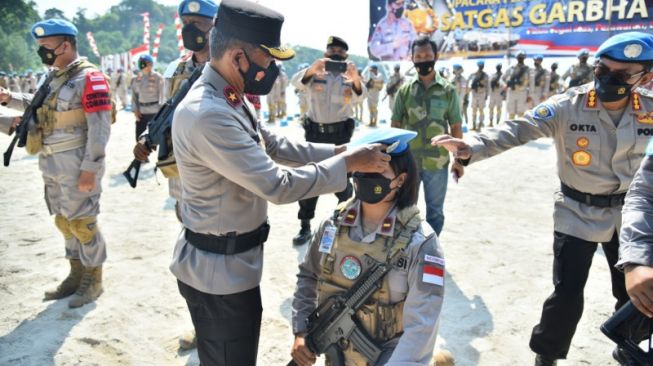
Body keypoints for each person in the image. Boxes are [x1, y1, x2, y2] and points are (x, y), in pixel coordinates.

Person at [169, 1, 390, 365]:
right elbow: (278, 185)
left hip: (232, 264)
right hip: (218, 275)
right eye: (268, 59)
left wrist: (341, 149)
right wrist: (348, 164)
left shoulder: (230, 95)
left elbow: (274, 144)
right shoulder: (208, 113)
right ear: (239, 57)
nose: (271, 69)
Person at [431, 32, 653, 366]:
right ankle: (546, 355)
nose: (608, 79)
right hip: (577, 212)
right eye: (602, 70)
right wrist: (472, 147)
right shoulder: (569, 105)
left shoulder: (648, 108)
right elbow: (519, 128)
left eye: (621, 75)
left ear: (645, 77)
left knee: (632, 292)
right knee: (566, 295)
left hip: (630, 217)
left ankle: (630, 346)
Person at [290, 128, 445, 366]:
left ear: (401, 179)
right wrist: (301, 331)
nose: (367, 175)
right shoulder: (332, 225)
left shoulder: (421, 242)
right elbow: (308, 275)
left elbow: (421, 329)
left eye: (378, 169)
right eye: (363, 167)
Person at [0, 18, 113, 308]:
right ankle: (75, 274)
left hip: (77, 161)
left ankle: (93, 279)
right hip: (51, 160)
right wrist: (8, 97)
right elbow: (37, 104)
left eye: (45, 47)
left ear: (65, 45)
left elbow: (100, 127)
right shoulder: (52, 76)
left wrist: (91, 167)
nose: (42, 52)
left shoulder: (90, 77)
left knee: (83, 222)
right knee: (64, 220)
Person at [132, 0, 218, 350]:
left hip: (215, 173)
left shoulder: (230, 64)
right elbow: (166, 114)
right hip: (181, 172)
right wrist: (146, 137)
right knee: (193, 247)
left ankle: (215, 325)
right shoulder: (178, 68)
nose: (191, 28)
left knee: (215, 250)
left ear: (216, 25)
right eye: (186, 21)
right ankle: (201, 323)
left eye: (199, 21)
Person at [290, 35, 366, 246]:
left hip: (340, 136)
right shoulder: (315, 74)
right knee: (310, 181)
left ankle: (345, 224)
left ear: (346, 56)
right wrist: (312, 70)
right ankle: (305, 226)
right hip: (315, 135)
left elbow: (362, 96)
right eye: (332, 51)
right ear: (325, 54)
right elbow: (295, 82)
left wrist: (355, 77)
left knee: (342, 182)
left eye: (340, 53)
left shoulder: (350, 77)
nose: (336, 55)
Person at [391, 36, 463, 236]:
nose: (423, 60)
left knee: (435, 213)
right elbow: (395, 124)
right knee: (404, 209)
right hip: (409, 163)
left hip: (437, 163)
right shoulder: (405, 91)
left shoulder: (448, 91)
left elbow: (456, 126)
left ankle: (430, 250)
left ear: (436, 56)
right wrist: (394, 158)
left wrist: (459, 160)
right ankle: (405, 250)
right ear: (412, 59)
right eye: (419, 56)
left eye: (428, 56)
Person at [130, 54, 164, 142]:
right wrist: (135, 110)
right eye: (144, 64)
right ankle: (142, 155)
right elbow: (134, 96)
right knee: (140, 138)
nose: (146, 66)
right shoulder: (136, 79)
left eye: (149, 63)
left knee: (157, 137)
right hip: (142, 112)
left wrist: (161, 112)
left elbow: (162, 95)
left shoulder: (158, 77)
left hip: (155, 111)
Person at [502, 50, 530, 119]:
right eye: (519, 57)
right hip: (511, 92)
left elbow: (531, 83)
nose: (520, 59)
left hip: (522, 93)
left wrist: (530, 95)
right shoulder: (511, 68)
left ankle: (520, 129)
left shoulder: (527, 69)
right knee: (511, 112)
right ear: (516, 58)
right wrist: (504, 85)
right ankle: (510, 128)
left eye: (522, 58)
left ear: (524, 58)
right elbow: (502, 78)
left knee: (521, 113)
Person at [469, 60, 489, 131]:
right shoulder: (473, 74)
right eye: (480, 66)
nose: (481, 67)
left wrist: (487, 95)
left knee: (481, 110)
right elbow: (469, 83)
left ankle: (480, 124)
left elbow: (487, 86)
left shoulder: (485, 75)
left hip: (482, 94)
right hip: (474, 94)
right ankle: (474, 125)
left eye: (482, 66)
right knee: (474, 110)